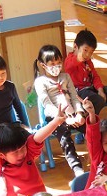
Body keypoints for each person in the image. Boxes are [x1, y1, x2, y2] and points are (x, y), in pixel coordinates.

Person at [33, 44, 86, 177]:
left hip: (73, 114)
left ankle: (101, 158)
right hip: (55, 117)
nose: (56, 66)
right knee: (65, 137)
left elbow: (74, 97)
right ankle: (77, 168)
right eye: (52, 64)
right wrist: (63, 118)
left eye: (59, 63)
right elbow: (47, 104)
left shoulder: (66, 77)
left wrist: (79, 113)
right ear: (43, 65)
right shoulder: (40, 81)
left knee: (92, 126)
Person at [64, 29, 107, 125]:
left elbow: (95, 76)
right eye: (85, 50)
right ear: (75, 46)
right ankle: (87, 123)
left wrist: (100, 90)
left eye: (91, 52)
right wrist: (79, 58)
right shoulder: (70, 60)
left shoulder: (88, 61)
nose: (88, 55)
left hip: (91, 88)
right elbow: (70, 65)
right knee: (98, 100)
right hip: (80, 92)